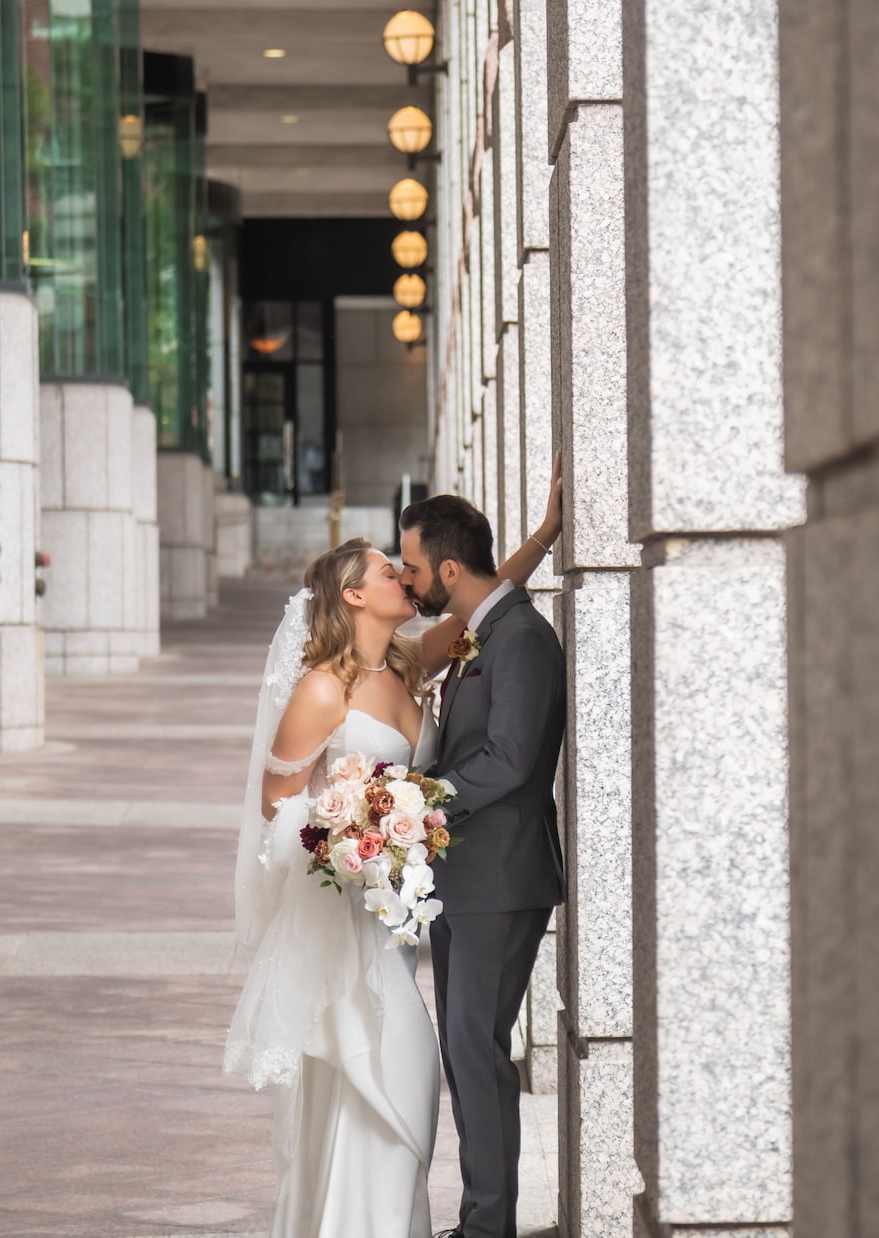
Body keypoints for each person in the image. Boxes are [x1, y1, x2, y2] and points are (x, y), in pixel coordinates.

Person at [225, 461, 562, 1237]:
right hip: (349, 907)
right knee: (384, 1062)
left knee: (414, 1065)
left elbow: (484, 591)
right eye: (389, 570)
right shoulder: (321, 689)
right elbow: (278, 804)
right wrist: (345, 839)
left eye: (408, 566)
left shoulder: (412, 664)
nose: (403, 577)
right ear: (354, 595)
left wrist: (544, 534)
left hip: (397, 912)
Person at [396, 487, 568, 1238]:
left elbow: (509, 761)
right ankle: (479, 1220)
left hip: (501, 879)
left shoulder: (522, 639)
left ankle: (490, 1224)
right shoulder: (480, 629)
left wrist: (416, 806)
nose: (410, 583)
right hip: (463, 880)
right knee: (465, 1052)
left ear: (452, 569)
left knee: (474, 1048)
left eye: (413, 568)